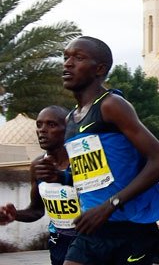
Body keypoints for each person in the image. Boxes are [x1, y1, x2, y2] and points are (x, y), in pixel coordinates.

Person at [40, 36, 159, 265]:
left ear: (99, 68)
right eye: (66, 57)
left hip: (131, 230)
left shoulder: (112, 105)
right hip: (92, 229)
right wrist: (62, 177)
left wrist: (109, 205)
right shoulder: (71, 118)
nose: (68, 63)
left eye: (78, 58)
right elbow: (95, 176)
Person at [0, 106, 79, 265]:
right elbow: (37, 210)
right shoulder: (37, 165)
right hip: (58, 241)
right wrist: (15, 215)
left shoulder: (81, 161)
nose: (42, 130)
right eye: (39, 125)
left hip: (88, 240)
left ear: (68, 129)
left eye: (51, 125)